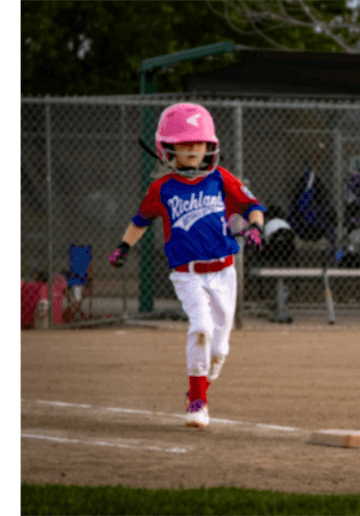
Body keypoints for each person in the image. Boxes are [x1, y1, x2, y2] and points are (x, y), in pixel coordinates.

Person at [108, 103, 266, 429]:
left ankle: (199, 386)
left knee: (220, 349)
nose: (193, 147)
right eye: (184, 142)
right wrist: (124, 247)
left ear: (211, 145)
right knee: (201, 329)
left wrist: (255, 226)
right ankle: (197, 401)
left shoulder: (220, 179)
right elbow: (141, 221)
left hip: (224, 272)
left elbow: (254, 206)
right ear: (168, 148)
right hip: (187, 274)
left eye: (200, 141)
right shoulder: (162, 188)